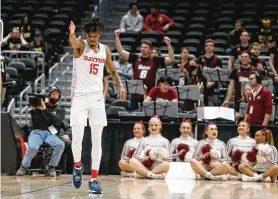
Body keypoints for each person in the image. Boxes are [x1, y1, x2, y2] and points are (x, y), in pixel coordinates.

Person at [68, 18, 126, 194]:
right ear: (86, 35)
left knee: (97, 139)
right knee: (77, 138)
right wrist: (71, 33)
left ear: (99, 34)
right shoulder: (80, 46)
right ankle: (77, 166)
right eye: (90, 35)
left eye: (95, 35)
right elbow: (73, 42)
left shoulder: (105, 50)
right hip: (79, 97)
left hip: (97, 98)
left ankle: (94, 179)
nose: (92, 39)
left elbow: (112, 71)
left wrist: (120, 85)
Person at [115, 29, 174, 110]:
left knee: (148, 115)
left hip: (150, 93)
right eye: (142, 47)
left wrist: (169, 45)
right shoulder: (135, 57)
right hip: (135, 93)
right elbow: (121, 52)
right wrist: (117, 37)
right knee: (133, 115)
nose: (142, 49)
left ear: (150, 50)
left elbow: (171, 59)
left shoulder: (155, 59)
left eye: (145, 47)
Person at [16, 96, 65, 177]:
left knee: (60, 144)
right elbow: (35, 123)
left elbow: (57, 122)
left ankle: (52, 167)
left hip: (49, 133)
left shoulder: (57, 109)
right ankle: (24, 166)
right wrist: (33, 111)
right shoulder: (36, 108)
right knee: (32, 147)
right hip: (36, 132)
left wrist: (45, 109)